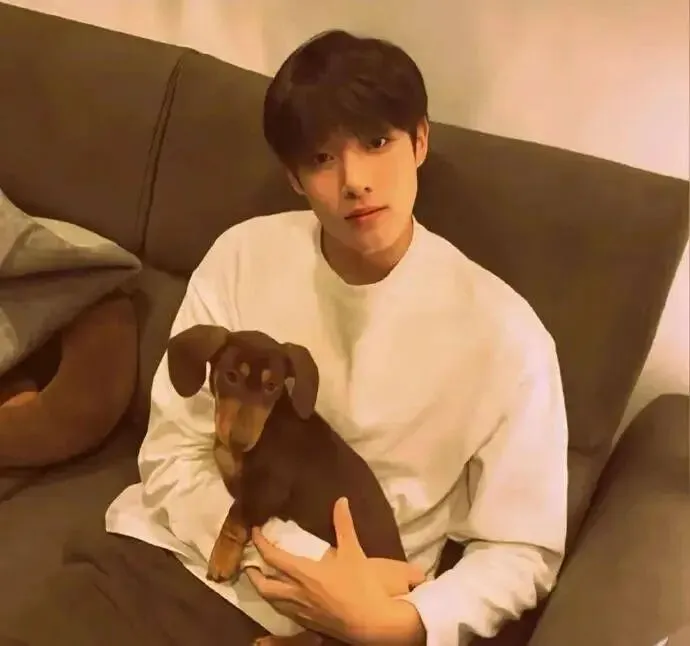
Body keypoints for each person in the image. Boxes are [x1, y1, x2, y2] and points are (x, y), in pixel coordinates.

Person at [1, 29, 568, 646]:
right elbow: (171, 451)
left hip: (342, 623)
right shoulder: (244, 255)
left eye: (377, 142)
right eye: (322, 158)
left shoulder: (507, 338)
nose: (354, 180)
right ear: (295, 178)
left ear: (420, 141)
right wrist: (305, 558)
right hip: (170, 561)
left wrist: (400, 623)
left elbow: (522, 550)